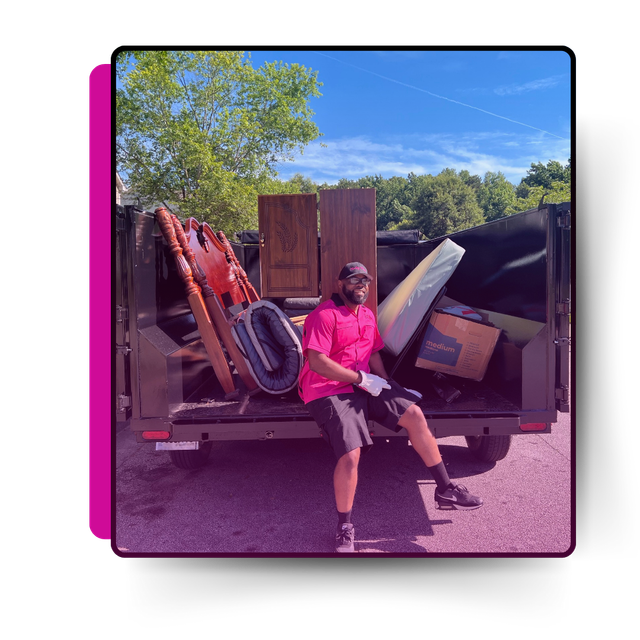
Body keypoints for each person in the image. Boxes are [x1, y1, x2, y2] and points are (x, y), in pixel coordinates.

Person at [298, 262, 482, 553]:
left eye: (365, 281)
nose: (360, 285)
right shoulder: (324, 315)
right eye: (354, 280)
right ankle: (344, 526)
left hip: (365, 383)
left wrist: (391, 385)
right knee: (350, 452)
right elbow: (318, 362)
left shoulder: (368, 315)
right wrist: (361, 379)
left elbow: (372, 354)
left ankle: (446, 489)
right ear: (340, 283)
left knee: (414, 414)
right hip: (327, 390)